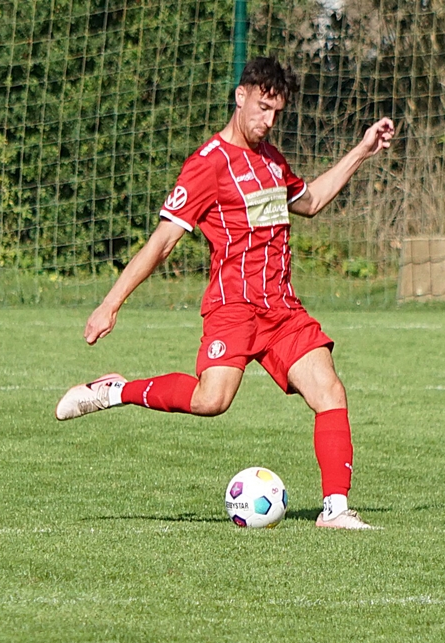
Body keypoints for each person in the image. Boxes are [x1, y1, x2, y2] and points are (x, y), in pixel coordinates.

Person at [55, 56, 394, 530]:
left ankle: (335, 509)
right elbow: (162, 242)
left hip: (282, 307)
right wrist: (110, 304)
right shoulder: (207, 165)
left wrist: (362, 150)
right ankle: (115, 391)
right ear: (240, 96)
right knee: (211, 401)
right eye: (262, 108)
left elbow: (312, 202)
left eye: (276, 112)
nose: (268, 121)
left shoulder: (273, 161)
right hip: (233, 306)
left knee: (329, 390)